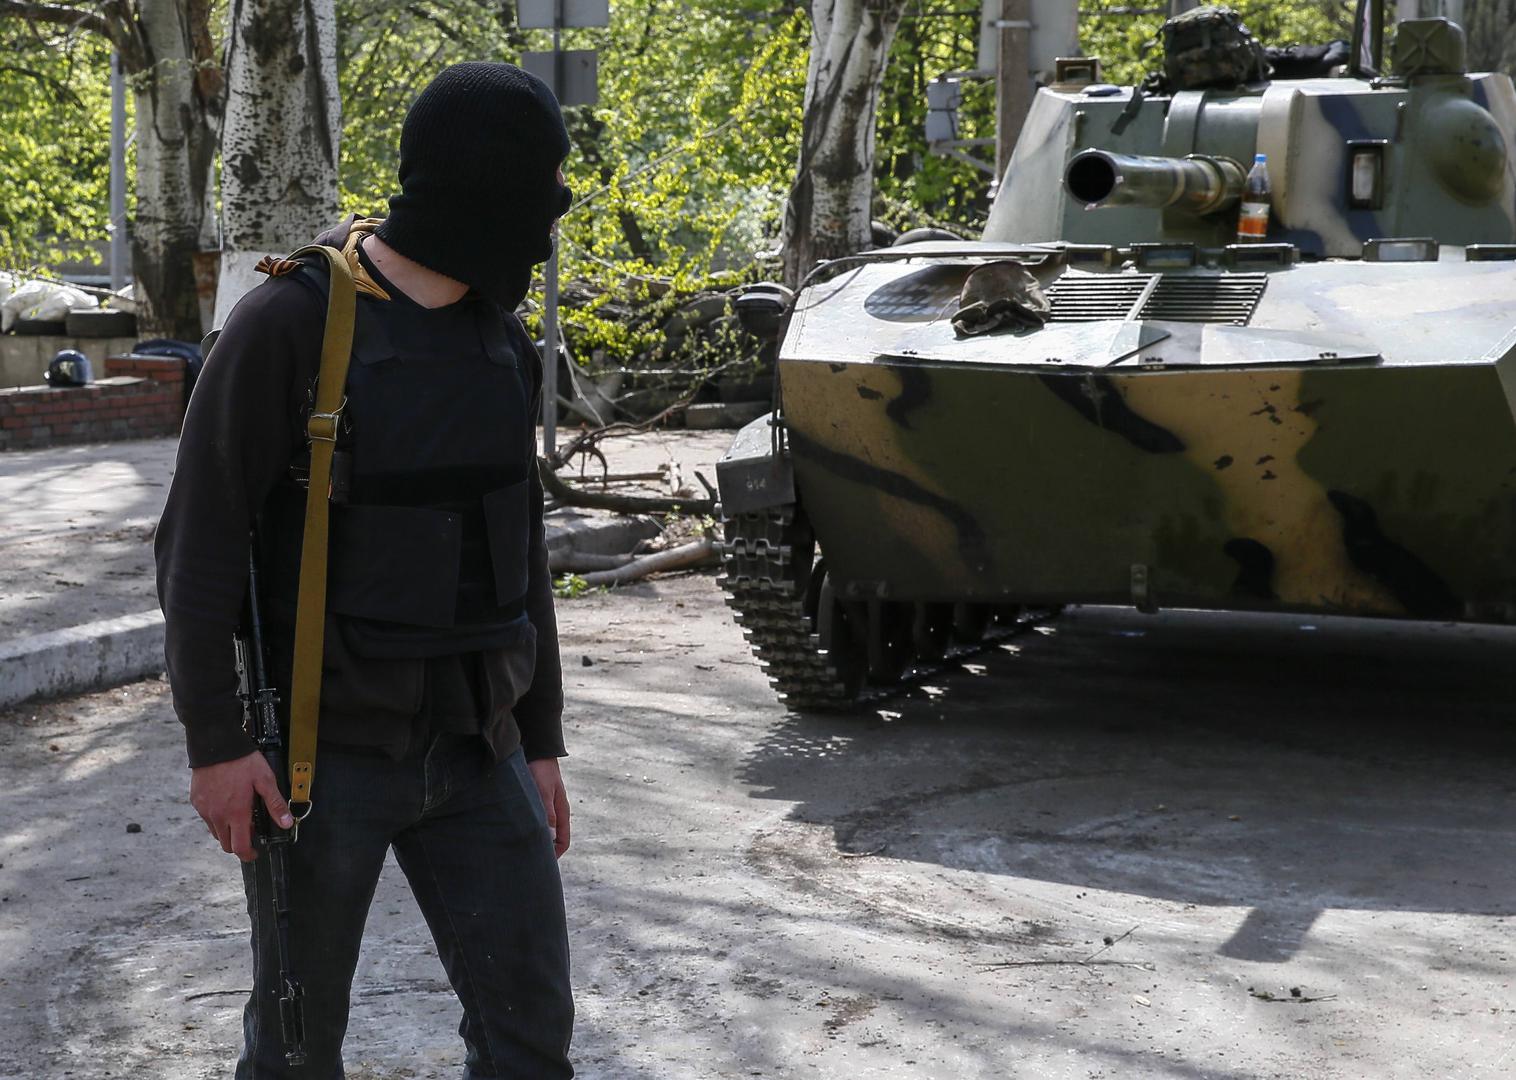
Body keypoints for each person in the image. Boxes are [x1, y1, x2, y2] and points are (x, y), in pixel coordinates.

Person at [155, 63, 576, 1078]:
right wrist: (216, 746)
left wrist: (541, 740)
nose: (551, 217)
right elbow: (196, 546)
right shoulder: (289, 324)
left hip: (480, 750)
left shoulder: (500, 341)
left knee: (530, 1039)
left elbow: (519, 555)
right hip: (321, 764)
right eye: (539, 189)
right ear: (482, 192)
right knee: (298, 1053)